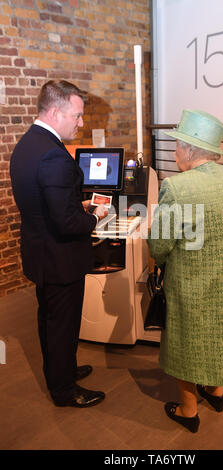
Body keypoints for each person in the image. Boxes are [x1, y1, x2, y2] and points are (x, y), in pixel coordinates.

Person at [147, 110, 223, 433]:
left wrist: (159, 260)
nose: (175, 151)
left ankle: (188, 409)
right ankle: (216, 392)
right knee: (220, 333)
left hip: (189, 281)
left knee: (185, 340)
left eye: (177, 145)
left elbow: (159, 245)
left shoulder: (177, 187)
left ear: (190, 150)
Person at [10, 80, 108, 408]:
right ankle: (64, 391)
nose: (81, 123)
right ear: (55, 112)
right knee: (62, 325)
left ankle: (60, 371)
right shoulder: (54, 155)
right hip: (60, 258)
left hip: (40, 253)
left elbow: (46, 203)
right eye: (77, 116)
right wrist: (96, 218)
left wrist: (73, 207)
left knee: (50, 320)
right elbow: (66, 223)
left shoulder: (27, 144)